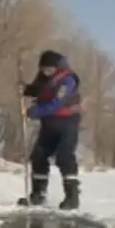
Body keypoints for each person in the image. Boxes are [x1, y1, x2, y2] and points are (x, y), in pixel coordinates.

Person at [20, 50, 83, 209]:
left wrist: (34, 112)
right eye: (43, 69)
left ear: (57, 67)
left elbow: (56, 103)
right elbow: (37, 89)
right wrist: (25, 89)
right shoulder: (43, 77)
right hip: (49, 123)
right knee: (39, 155)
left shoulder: (67, 80)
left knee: (64, 155)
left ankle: (72, 197)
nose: (45, 72)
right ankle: (38, 194)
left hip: (67, 121)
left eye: (48, 69)